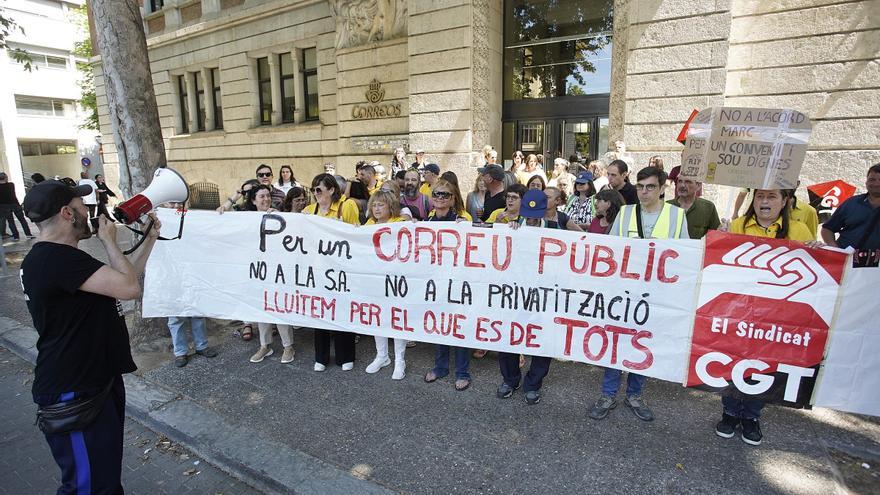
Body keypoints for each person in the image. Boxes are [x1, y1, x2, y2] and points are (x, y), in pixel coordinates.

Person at [21, 180, 161, 494]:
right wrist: (110, 240)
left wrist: (149, 239)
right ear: (67, 213)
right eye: (82, 206)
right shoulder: (56, 259)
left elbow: (122, 280)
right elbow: (130, 288)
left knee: (104, 480)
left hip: (94, 382)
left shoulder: (58, 258)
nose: (90, 211)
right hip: (75, 390)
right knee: (88, 487)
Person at [716, 187, 819, 445]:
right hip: (739, 312)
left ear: (784, 201)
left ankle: (751, 416)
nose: (764, 201)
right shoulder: (738, 225)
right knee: (733, 360)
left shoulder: (799, 231)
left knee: (766, 365)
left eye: (771, 197)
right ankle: (729, 412)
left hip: (777, 316)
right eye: (760, 196)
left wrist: (818, 250)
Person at [589, 166, 689, 423]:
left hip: (657, 295)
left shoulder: (677, 217)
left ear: (662, 188)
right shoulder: (625, 213)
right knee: (617, 342)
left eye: (651, 187)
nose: (644, 192)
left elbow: (684, 257)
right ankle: (608, 394)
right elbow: (610, 251)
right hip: (625, 293)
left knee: (643, 343)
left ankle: (635, 394)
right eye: (641, 186)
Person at [496, 189, 553, 404]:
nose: (531, 219)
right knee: (507, 335)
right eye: (528, 215)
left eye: (536, 215)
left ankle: (533, 383)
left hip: (544, 295)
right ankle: (510, 379)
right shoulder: (513, 227)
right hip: (514, 293)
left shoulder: (556, 229)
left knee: (542, 339)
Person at [303, 174, 359, 371]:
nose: (315, 194)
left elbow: (355, 236)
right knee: (320, 311)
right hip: (318, 271)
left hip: (342, 270)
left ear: (332, 190)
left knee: (343, 310)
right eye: (313, 190)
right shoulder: (309, 212)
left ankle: (346, 356)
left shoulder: (347, 206)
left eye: (319, 189)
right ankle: (321, 357)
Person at [363, 190, 408, 379]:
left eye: (381, 204)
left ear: (390, 206)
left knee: (397, 319)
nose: (377, 208)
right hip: (375, 281)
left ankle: (400, 360)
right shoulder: (368, 225)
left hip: (396, 280)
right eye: (374, 205)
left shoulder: (399, 224)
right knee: (377, 317)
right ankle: (382, 356)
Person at [821, 164, 880, 266]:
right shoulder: (851, 203)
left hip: (876, 267)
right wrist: (834, 248)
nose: (876, 183)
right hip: (844, 263)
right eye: (872, 179)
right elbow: (827, 229)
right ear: (866, 182)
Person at [667, 174, 720, 239]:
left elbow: (715, 234)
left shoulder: (708, 207)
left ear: (698, 186)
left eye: (688, 182)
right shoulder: (667, 206)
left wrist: (722, 230)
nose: (682, 185)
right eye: (680, 181)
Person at [0, 171, 34, 240]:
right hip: (15, 204)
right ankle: (28, 234)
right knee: (22, 220)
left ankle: (16, 236)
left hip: (4, 206)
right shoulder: (11, 185)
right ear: (6, 178)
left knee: (11, 221)